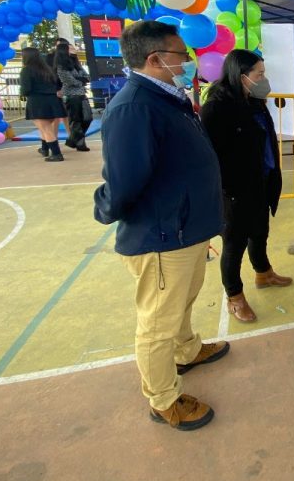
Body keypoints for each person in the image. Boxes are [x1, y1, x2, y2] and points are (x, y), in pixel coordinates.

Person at [93, 21, 228, 431]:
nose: (187, 63)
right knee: (157, 322)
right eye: (180, 56)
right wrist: (105, 208)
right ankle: (163, 399)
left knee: (183, 300)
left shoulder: (168, 98)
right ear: (155, 59)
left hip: (186, 229)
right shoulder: (135, 106)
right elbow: (124, 181)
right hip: (162, 235)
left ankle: (186, 350)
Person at [200, 49, 292, 324]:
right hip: (234, 190)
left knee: (260, 231)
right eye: (259, 74)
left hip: (261, 181)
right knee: (234, 244)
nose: (264, 79)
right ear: (242, 77)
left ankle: (263, 272)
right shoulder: (216, 108)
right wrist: (227, 189)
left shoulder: (254, 100)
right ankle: (235, 297)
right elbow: (212, 156)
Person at [20, 47, 65, 162]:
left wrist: (22, 94)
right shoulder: (47, 69)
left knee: (45, 128)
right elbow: (58, 84)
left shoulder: (27, 70)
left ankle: (56, 153)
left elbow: (26, 88)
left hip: (38, 101)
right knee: (45, 127)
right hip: (52, 100)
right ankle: (44, 148)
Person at [53, 42, 91, 151]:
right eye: (70, 48)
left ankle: (72, 140)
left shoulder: (76, 63)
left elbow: (87, 76)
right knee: (76, 120)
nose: (73, 49)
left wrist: (81, 80)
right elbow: (69, 81)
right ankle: (80, 143)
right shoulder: (61, 66)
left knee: (87, 117)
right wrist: (81, 81)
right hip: (71, 95)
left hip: (81, 94)